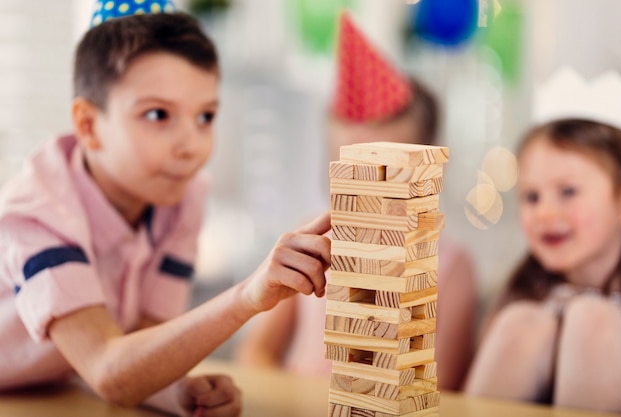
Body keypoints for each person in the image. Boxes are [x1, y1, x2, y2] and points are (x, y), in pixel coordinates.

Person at [0, 3, 331, 416]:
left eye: (205, 116)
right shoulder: (38, 213)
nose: (191, 145)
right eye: (158, 114)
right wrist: (247, 295)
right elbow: (107, 368)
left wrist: (177, 394)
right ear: (88, 125)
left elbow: (144, 340)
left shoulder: (181, 198)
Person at [234, 12, 478, 392]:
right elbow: (256, 351)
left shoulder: (449, 263)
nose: (366, 188)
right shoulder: (310, 241)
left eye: (385, 170)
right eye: (347, 167)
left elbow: (445, 383)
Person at [463, 118, 621, 413]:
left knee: (594, 321)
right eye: (532, 197)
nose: (545, 213)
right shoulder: (522, 296)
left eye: (568, 192)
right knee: (520, 322)